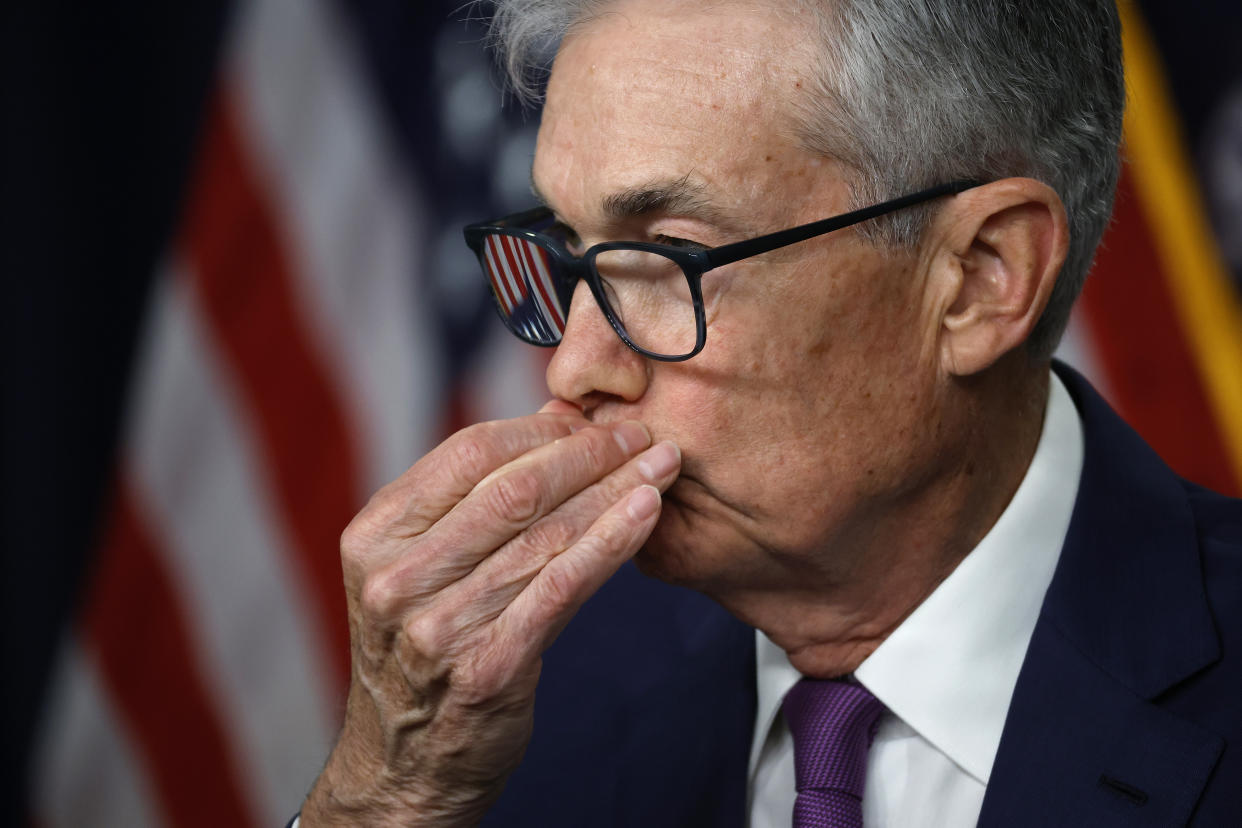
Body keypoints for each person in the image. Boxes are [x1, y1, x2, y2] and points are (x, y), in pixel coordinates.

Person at [298, 0, 1242, 825]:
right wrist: (385, 801)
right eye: (569, 248)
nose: (573, 368)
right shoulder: (507, 693)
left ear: (981, 279)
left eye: (668, 256)